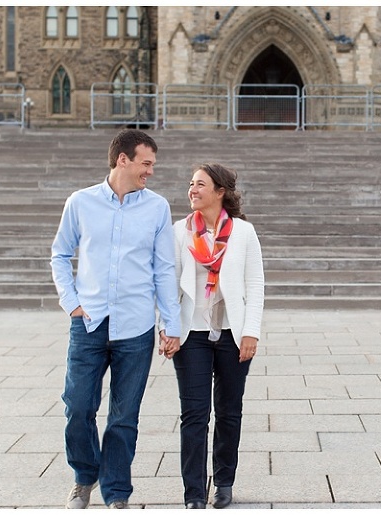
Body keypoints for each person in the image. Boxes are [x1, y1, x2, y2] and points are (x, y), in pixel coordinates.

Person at [50, 129, 182, 509]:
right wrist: (71, 302)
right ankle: (85, 476)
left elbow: (163, 269)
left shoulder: (156, 207)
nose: (151, 171)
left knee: (124, 416)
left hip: (136, 327)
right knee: (77, 406)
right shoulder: (81, 202)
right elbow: (60, 254)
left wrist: (169, 325)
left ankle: (117, 492)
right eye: (146, 163)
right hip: (88, 323)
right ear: (122, 159)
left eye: (152, 165)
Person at [160, 162, 264, 509]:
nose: (192, 189)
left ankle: (223, 482)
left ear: (220, 191)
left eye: (200, 184)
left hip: (233, 333)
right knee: (194, 414)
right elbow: (168, 285)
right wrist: (168, 328)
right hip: (192, 335)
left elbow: (255, 285)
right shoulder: (178, 231)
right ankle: (193, 493)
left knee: (229, 411)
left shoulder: (243, 233)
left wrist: (251, 332)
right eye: (191, 183)